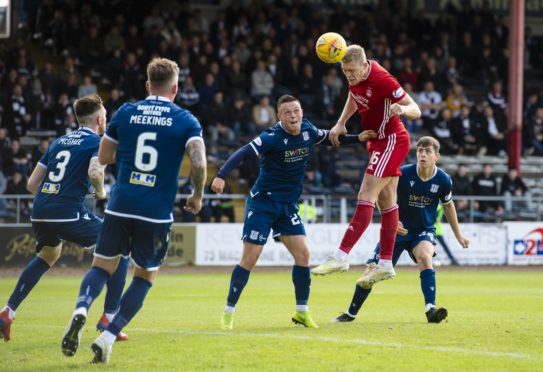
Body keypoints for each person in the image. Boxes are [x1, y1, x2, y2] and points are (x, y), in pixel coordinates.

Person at [60, 58, 207, 363]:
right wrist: (197, 195)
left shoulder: (126, 112)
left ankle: (81, 309)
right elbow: (200, 163)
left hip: (120, 203)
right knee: (144, 276)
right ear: (176, 88)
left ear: (147, 85)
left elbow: (104, 155)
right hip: (155, 211)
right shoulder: (186, 119)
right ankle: (108, 335)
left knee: (101, 266)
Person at [211, 95, 376, 331]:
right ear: (279, 116)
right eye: (288, 112)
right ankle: (229, 311)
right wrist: (221, 175)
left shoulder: (308, 130)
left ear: (301, 112)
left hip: (288, 207)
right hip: (263, 205)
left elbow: (329, 138)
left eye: (297, 111)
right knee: (250, 258)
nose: (293, 116)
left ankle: (301, 312)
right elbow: (244, 152)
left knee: (304, 255)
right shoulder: (271, 137)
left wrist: (356, 138)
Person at [0, 95, 130, 342]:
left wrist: (51, 200)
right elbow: (94, 172)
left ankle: (7, 312)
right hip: (66, 211)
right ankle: (109, 319)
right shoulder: (97, 142)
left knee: (49, 254)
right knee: (121, 246)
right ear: (100, 118)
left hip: (40, 210)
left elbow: (31, 183)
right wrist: (100, 192)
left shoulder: (58, 142)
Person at [312, 45, 422, 289]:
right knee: (387, 202)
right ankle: (385, 263)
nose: (349, 75)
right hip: (376, 141)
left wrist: (402, 109)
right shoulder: (356, 78)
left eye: (352, 70)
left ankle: (341, 256)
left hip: (391, 140)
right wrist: (341, 123)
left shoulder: (382, 80)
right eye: (344, 71)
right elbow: (354, 95)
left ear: (364, 65)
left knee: (365, 194)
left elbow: (416, 108)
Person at [332, 137, 469, 324]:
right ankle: (350, 314)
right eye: (420, 150)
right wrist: (392, 221)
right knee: (370, 272)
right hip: (395, 231)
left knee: (424, 256)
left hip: (423, 231)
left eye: (427, 151)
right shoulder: (403, 173)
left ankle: (431, 309)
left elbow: (448, 206)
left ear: (436, 156)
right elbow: (380, 195)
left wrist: (458, 235)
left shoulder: (444, 180)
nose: (422, 154)